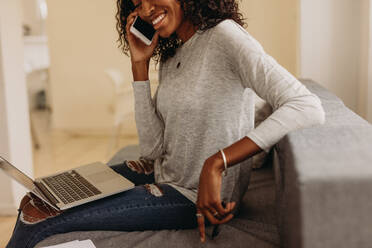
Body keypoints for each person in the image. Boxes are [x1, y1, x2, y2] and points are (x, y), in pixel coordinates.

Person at [7, 0, 325, 247]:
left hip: (192, 196)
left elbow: (306, 105)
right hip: (163, 173)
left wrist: (217, 162)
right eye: (137, 2)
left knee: (38, 219)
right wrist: (140, 65)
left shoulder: (225, 37)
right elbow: (153, 147)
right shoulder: (172, 55)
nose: (146, 9)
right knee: (37, 197)